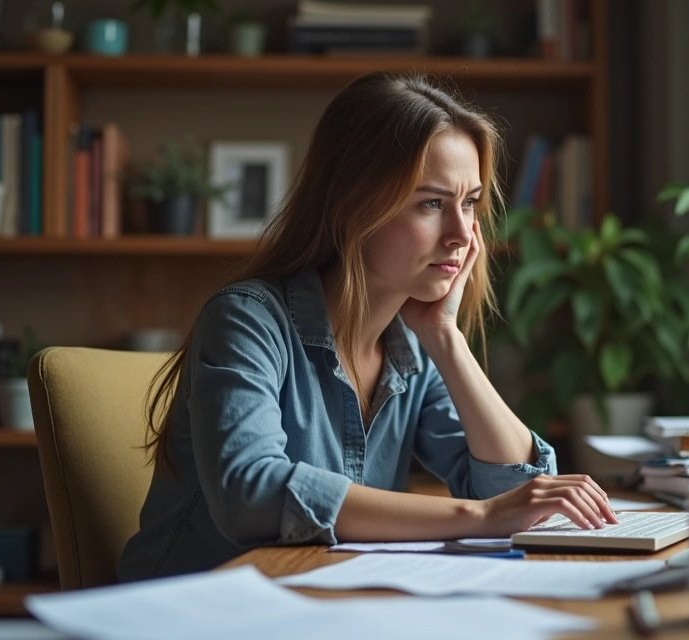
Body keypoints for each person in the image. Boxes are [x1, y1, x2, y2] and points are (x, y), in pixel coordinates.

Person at [117, 72, 619, 581]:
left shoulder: (413, 350)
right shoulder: (247, 320)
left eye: (469, 203)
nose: (463, 235)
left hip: (321, 602)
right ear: (354, 205)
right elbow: (251, 494)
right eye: (431, 203)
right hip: (197, 611)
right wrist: (482, 517)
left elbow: (517, 496)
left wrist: (447, 340)